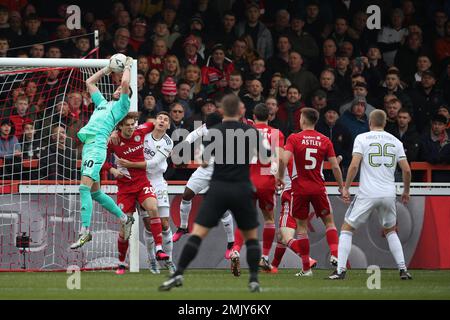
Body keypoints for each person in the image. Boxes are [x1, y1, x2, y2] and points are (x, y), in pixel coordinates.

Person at [159, 94, 268, 292]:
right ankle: (253, 280)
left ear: (224, 111)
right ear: (241, 111)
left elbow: (207, 160)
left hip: (219, 186)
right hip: (242, 187)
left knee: (198, 234)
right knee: (251, 237)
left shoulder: (214, 132)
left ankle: (178, 274)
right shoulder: (251, 132)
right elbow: (266, 157)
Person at [328, 110, 413, 280]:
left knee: (346, 228)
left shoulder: (362, 138)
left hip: (368, 193)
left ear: (370, 123)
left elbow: (353, 165)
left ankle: (340, 270)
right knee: (390, 230)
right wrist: (406, 191)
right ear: (385, 123)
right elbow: (407, 169)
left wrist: (345, 187)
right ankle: (403, 269)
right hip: (388, 194)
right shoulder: (395, 141)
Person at [70, 56, 136, 250]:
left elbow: (124, 82)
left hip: (97, 148)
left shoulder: (122, 106)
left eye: (121, 90)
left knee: (83, 188)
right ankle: (125, 218)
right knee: (95, 193)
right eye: (116, 89)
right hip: (88, 147)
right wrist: (107, 68)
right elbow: (89, 82)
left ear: (126, 96)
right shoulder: (102, 103)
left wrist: (128, 66)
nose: (117, 90)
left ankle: (85, 231)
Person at [277, 108, 344, 276]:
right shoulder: (325, 140)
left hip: (299, 189)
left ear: (304, 120)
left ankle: (306, 268)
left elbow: (283, 159)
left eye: (300, 117)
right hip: (318, 187)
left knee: (301, 229)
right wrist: (342, 186)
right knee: (329, 223)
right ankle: (335, 255)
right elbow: (335, 165)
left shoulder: (294, 138)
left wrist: (279, 176)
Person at [104, 112, 169, 275]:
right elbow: (102, 160)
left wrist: (157, 121)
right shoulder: (113, 141)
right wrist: (112, 169)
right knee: (125, 229)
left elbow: (154, 122)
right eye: (128, 125)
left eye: (134, 124)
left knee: (153, 208)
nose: (132, 127)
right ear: (120, 127)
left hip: (142, 183)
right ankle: (121, 263)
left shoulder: (141, 131)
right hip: (125, 188)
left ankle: (159, 249)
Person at [171, 112, 235, 260]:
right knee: (186, 195)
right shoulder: (206, 127)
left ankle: (231, 243)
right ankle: (183, 227)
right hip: (204, 170)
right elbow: (192, 136)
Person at [230, 103, 284, 274]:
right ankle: (265, 258)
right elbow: (278, 159)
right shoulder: (276, 133)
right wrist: (278, 178)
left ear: (253, 116)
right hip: (266, 181)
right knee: (269, 219)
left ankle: (236, 249)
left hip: (247, 180)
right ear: (269, 116)